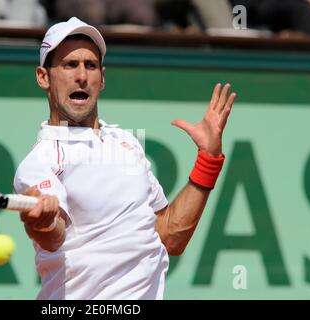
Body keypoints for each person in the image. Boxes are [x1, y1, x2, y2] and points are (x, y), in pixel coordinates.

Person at [13, 16, 236, 300]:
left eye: (90, 66)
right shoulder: (38, 164)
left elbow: (168, 236)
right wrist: (41, 222)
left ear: (102, 78)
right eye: (70, 65)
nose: (82, 75)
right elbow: (54, 236)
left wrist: (208, 159)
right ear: (43, 77)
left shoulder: (126, 142)